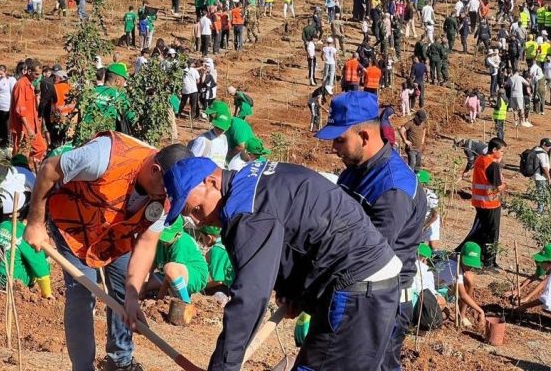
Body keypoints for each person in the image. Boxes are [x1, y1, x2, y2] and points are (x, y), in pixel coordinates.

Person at [162, 156, 402, 371]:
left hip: (357, 289)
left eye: (196, 209)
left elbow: (251, 297)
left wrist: (224, 366)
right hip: (362, 280)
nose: (198, 220)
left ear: (211, 182)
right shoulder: (253, 177)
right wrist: (293, 293)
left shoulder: (246, 212)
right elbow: (295, 228)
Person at [23, 136, 193, 371]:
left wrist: (133, 297)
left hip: (115, 232)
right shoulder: (103, 157)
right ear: (155, 171)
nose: (167, 197)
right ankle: (83, 368)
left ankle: (120, 361)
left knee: (127, 289)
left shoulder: (167, 193)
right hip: (73, 223)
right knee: (83, 292)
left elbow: (146, 242)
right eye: (166, 190)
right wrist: (35, 223)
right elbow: (49, 168)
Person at [316, 91, 427, 371]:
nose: (333, 149)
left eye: (340, 140)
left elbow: (370, 257)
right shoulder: (354, 170)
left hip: (382, 303)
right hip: (354, 293)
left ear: (364, 137)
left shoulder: (392, 188)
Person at [458, 137, 507, 270]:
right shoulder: (492, 164)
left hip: (479, 202)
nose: (502, 154)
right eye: (501, 151)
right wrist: (504, 185)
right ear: (494, 150)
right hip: (491, 203)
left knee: (481, 230)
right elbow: (497, 186)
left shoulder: (480, 159)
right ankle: (488, 262)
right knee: (491, 233)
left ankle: (468, 253)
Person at [142, 217, 208, 305]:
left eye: (167, 237)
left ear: (178, 234)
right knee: (138, 283)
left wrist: (159, 299)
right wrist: (141, 291)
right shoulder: (159, 242)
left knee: (170, 268)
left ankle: (185, 302)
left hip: (194, 275)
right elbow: (150, 267)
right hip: (167, 275)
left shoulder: (182, 243)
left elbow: (171, 272)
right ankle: (172, 292)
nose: (164, 241)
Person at [434, 241, 486, 328]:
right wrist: (481, 311)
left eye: (471, 265)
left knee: (470, 278)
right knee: (443, 314)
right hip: (435, 289)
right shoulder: (452, 268)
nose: (470, 267)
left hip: (446, 286)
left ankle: (462, 316)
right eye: (467, 263)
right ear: (461, 257)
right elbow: (463, 295)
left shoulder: (457, 262)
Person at [9, 58, 48, 167]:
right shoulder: (21, 85)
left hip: (32, 126)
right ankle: (19, 173)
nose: (38, 77)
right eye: (36, 74)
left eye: (39, 74)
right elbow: (20, 110)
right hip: (23, 128)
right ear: (29, 71)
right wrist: (28, 128)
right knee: (20, 155)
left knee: (41, 148)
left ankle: (29, 169)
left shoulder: (29, 84)